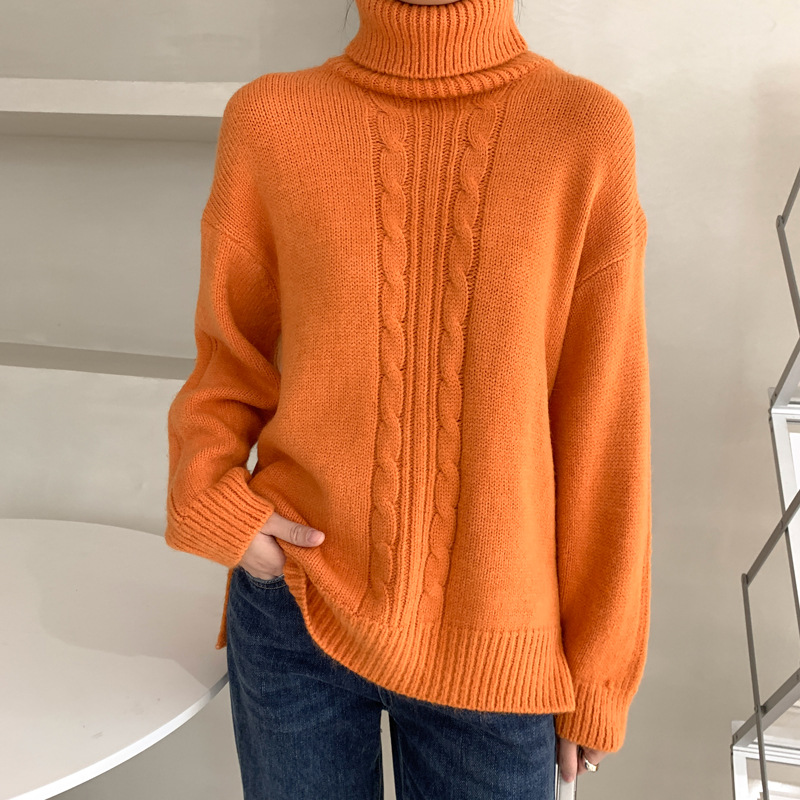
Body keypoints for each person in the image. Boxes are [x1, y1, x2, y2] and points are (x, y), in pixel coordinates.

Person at [163, 0, 651, 796]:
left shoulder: (583, 130)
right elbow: (229, 357)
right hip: (297, 613)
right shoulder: (273, 120)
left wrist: (600, 670)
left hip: (501, 648)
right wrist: (218, 501)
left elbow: (605, 422)